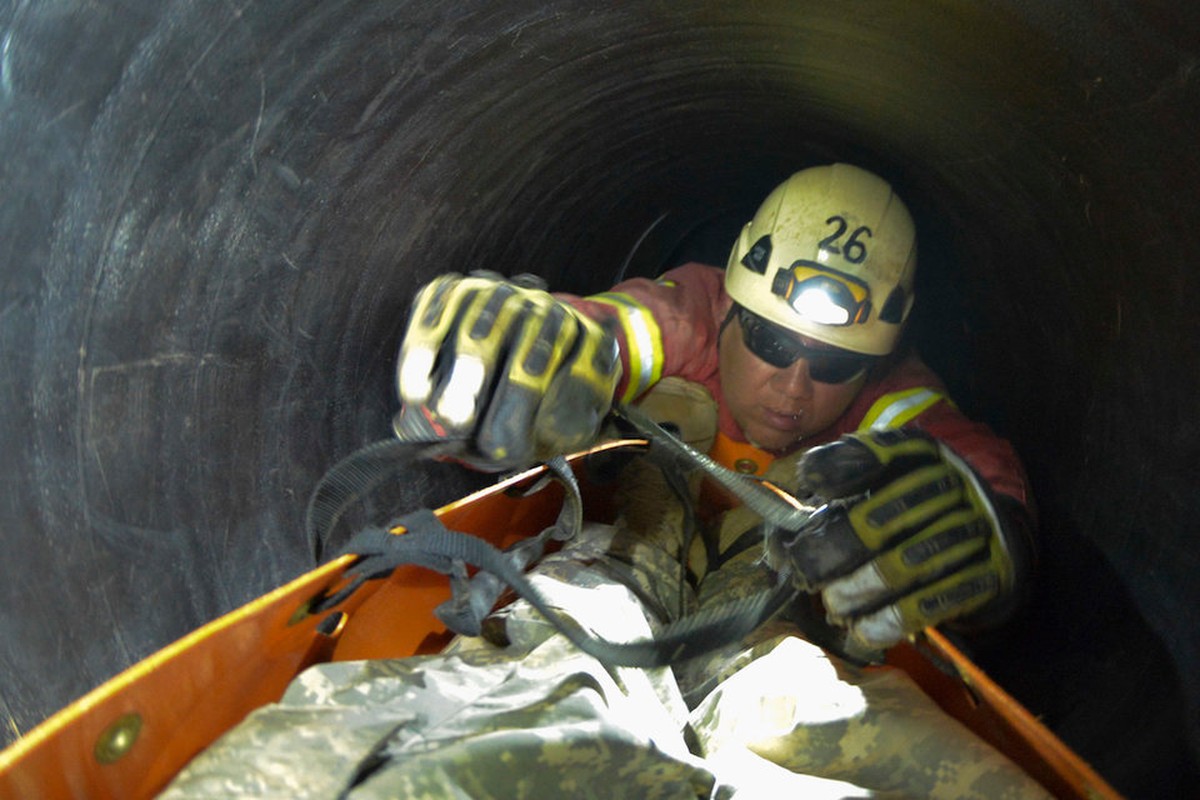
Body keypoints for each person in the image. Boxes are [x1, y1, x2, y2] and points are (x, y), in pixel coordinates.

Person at [160, 164, 1046, 798]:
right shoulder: (693, 312)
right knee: (587, 627)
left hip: (777, 594)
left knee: (812, 696)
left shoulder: (897, 401)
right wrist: (540, 345)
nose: (793, 385)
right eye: (773, 343)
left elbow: (971, 474)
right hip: (632, 536)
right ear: (736, 307)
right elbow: (615, 334)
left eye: (832, 365)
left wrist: (983, 535)